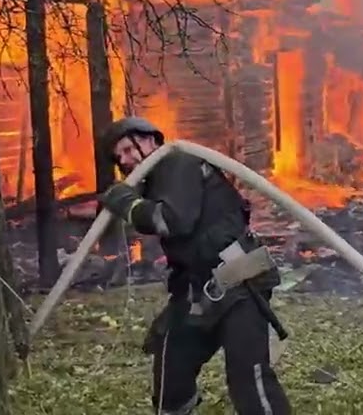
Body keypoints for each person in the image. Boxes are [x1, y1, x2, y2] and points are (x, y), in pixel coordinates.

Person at [97, 116, 291, 415]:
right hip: (198, 290)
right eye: (118, 157)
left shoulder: (178, 162)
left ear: (149, 139)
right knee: (171, 360)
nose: (124, 160)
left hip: (239, 285)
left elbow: (174, 220)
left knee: (248, 378)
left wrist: (128, 205)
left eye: (127, 149)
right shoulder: (158, 178)